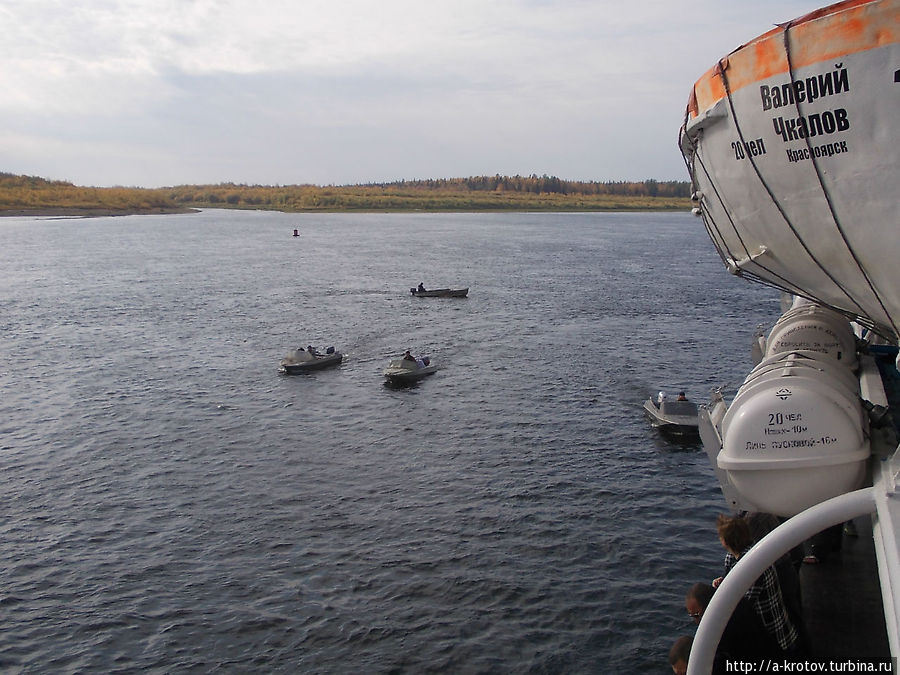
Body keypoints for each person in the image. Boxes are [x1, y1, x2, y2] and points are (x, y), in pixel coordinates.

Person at [714, 514, 802, 658]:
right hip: (762, 629)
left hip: (773, 632)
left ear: (726, 541)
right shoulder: (734, 558)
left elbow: (744, 604)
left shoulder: (754, 566)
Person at [685, 582, 781, 666]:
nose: (696, 621)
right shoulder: (734, 604)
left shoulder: (728, 625)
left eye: (697, 615)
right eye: (691, 615)